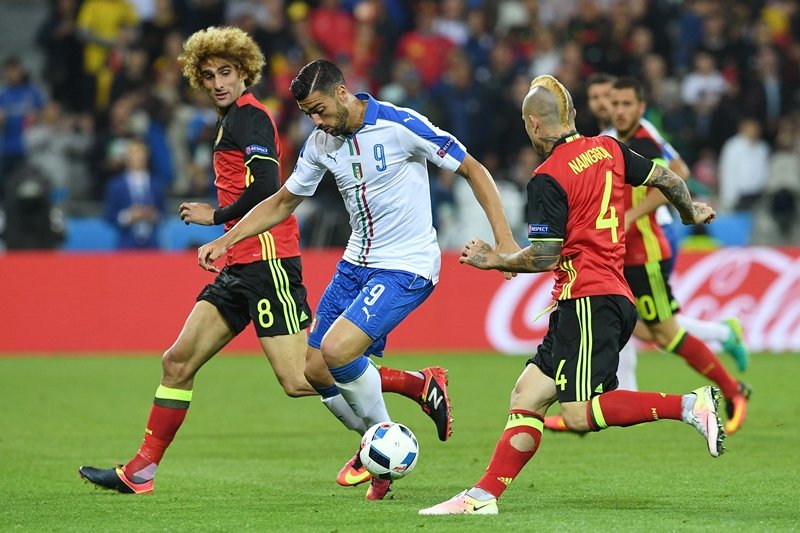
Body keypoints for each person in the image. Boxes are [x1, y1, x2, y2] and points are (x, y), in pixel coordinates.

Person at [78, 27, 451, 497]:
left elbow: (267, 188)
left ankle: (407, 400)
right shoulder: (228, 119)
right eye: (209, 74)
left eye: (227, 73)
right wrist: (227, 238)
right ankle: (142, 472)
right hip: (239, 261)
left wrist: (215, 218)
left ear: (245, 73)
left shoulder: (249, 119)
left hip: (268, 257)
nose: (218, 82)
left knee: (303, 378)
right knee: (176, 362)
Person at [196, 58, 519, 500]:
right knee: (312, 372)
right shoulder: (321, 142)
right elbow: (283, 201)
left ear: (342, 93)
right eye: (308, 113)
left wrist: (505, 246)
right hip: (355, 264)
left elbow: (473, 169)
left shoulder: (401, 124)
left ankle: (380, 452)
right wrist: (227, 238)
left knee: (335, 351)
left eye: (320, 109)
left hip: (406, 265)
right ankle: (394, 424)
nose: (316, 121)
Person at [418, 74, 725, 516]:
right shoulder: (610, 148)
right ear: (573, 116)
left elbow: (544, 256)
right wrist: (689, 210)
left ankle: (689, 406)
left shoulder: (547, 177)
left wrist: (495, 259)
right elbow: (666, 175)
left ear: (534, 125)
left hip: (589, 298)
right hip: (599, 296)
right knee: (528, 394)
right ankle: (482, 497)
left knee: (580, 413)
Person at [103, 138, 166, 249]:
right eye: (134, 154)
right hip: (126, 243)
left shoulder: (156, 183)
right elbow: (109, 215)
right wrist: (129, 216)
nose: (138, 158)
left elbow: (163, 212)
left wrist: (152, 215)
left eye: (141, 154)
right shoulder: (116, 185)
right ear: (127, 158)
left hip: (152, 243)